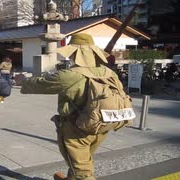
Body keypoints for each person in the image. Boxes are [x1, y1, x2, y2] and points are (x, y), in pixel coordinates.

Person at [21, 33, 130, 180]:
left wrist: (23, 81)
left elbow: (40, 85)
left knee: (82, 171)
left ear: (74, 53)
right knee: (83, 159)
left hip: (76, 127)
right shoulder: (109, 73)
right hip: (102, 125)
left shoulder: (70, 74)